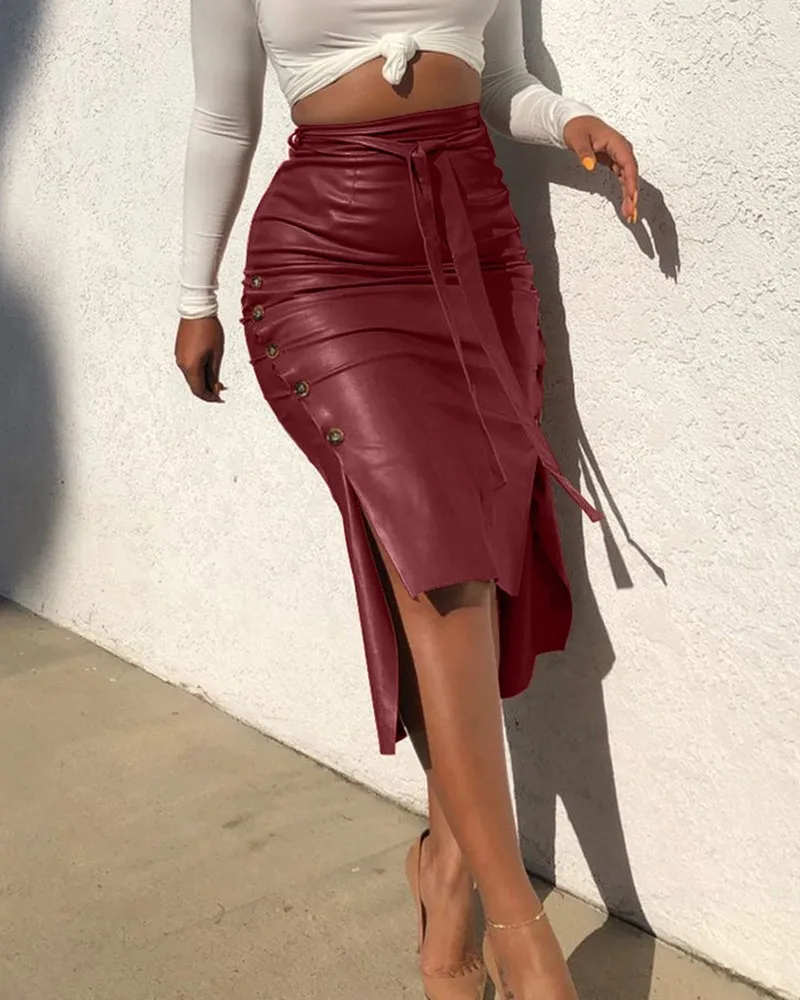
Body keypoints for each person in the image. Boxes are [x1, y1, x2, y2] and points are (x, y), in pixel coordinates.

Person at [174, 1, 638, 997]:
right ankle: (521, 936)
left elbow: (502, 81)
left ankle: (446, 872)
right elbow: (222, 119)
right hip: (327, 259)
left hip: (475, 247)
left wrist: (570, 121)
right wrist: (192, 296)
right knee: (441, 573)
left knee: (472, 569)